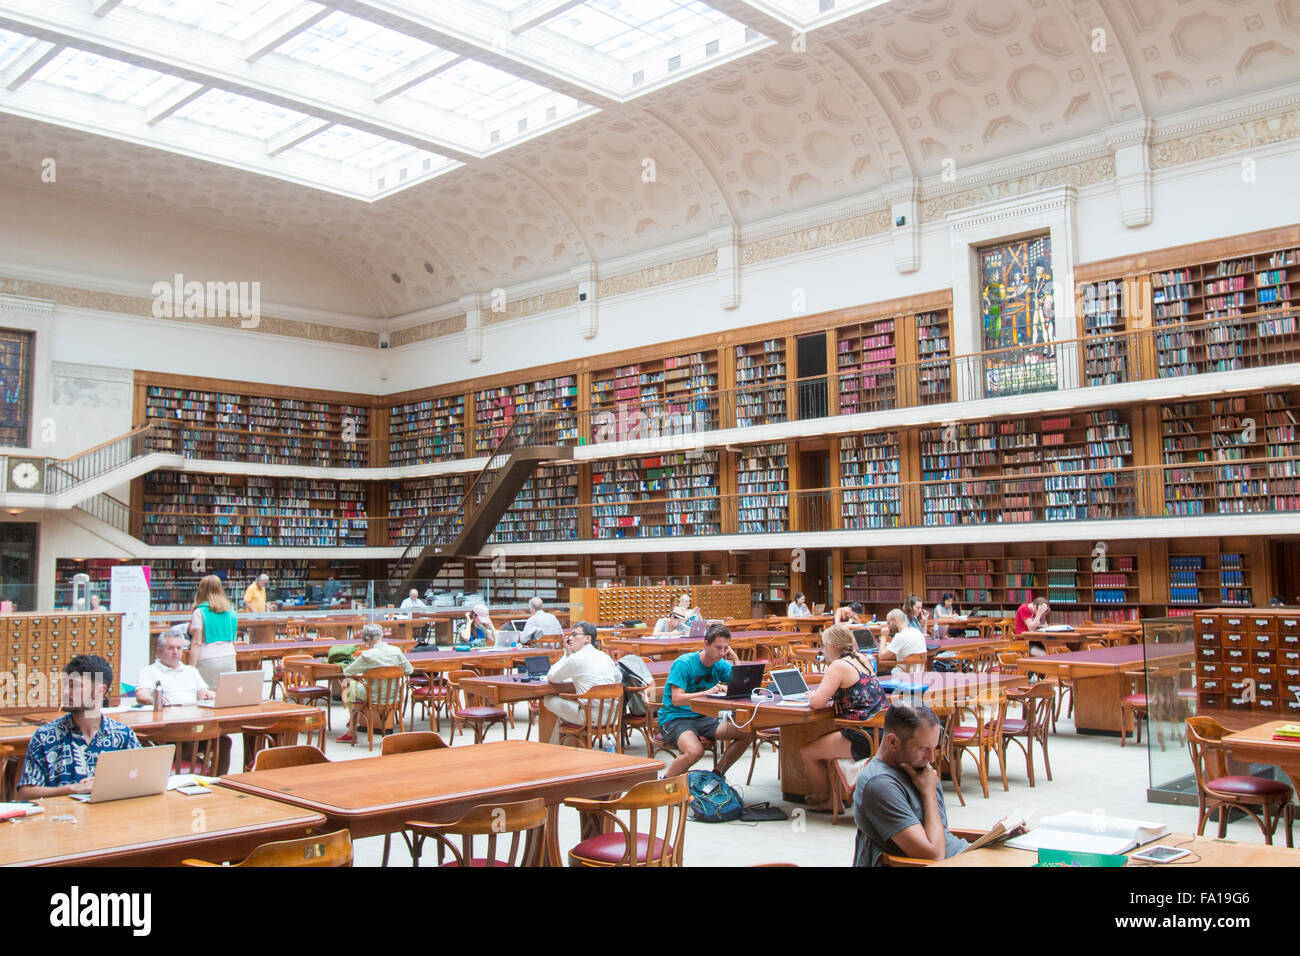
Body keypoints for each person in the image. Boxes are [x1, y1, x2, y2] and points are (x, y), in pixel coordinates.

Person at [853, 703, 970, 866]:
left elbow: (941, 834)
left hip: (964, 856)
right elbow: (933, 856)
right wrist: (928, 793)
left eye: (934, 748)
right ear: (892, 742)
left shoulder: (921, 771)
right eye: (923, 749)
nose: (932, 759)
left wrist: (996, 836)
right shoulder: (879, 783)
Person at [16, 655, 141, 800]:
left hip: (110, 816)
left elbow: (140, 781)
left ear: (101, 690)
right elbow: (25, 792)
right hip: (61, 818)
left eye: (74, 686)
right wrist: (71, 789)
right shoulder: (45, 736)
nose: (65, 693)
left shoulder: (124, 736)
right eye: (65, 685)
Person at [798, 624, 888, 811]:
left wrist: (812, 696)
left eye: (824, 646)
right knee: (825, 746)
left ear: (833, 646)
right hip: (881, 731)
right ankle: (834, 798)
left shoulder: (838, 666)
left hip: (862, 735)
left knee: (808, 752)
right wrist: (837, 697)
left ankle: (825, 799)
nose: (823, 650)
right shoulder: (862, 658)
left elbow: (816, 702)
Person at [658, 624, 757, 779]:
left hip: (704, 718)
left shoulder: (721, 664)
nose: (722, 652)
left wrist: (735, 659)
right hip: (675, 719)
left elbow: (741, 689)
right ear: (706, 644)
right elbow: (677, 700)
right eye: (718, 648)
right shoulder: (684, 663)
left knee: (747, 733)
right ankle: (665, 786)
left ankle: (717, 776)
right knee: (695, 751)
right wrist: (708, 693)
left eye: (726, 648)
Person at [541, 622, 623, 744]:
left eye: (574, 635)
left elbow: (552, 677)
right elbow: (618, 677)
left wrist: (566, 654)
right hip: (612, 717)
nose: (570, 639)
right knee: (564, 714)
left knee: (548, 699)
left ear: (587, 638)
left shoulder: (575, 658)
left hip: (591, 717)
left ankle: (557, 748)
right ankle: (562, 746)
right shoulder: (604, 656)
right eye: (570, 635)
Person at [337, 623, 414, 744]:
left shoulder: (368, 655)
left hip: (372, 696)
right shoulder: (396, 651)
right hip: (394, 697)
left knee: (348, 684)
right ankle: (353, 719)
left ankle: (352, 728)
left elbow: (347, 672)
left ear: (367, 638)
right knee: (353, 686)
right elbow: (410, 670)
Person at [136, 629, 213, 706]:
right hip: (164, 714)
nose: (175, 652)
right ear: (159, 651)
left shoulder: (191, 671)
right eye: (170, 648)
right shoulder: (149, 671)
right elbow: (141, 696)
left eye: (179, 648)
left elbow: (204, 693)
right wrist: (155, 700)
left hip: (191, 714)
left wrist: (210, 695)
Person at [189, 574, 240, 688]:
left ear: (201, 590)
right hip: (229, 657)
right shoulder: (231, 612)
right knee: (227, 695)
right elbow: (233, 640)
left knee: (206, 696)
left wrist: (190, 669)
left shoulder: (200, 612)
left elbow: (196, 643)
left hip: (208, 658)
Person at [877, 609, 927, 678]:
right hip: (918, 676)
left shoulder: (900, 636)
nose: (888, 626)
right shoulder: (918, 632)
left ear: (894, 620)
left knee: (876, 676)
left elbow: (882, 656)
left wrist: (883, 637)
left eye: (888, 623)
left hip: (903, 677)